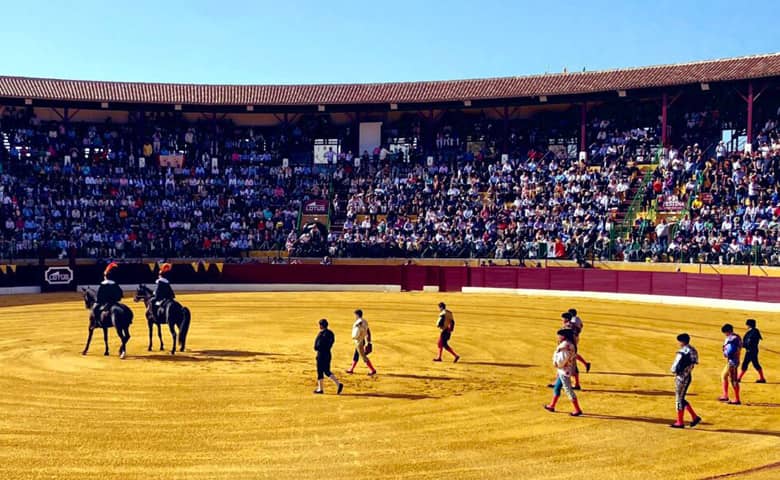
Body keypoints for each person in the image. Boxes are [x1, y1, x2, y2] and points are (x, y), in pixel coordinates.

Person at [544, 328, 583, 416]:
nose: (558, 337)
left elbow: (561, 361)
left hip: (564, 371)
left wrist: (556, 363)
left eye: (559, 335)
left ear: (564, 336)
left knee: (568, 389)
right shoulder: (569, 344)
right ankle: (552, 405)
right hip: (565, 370)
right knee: (557, 387)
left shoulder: (565, 347)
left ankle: (577, 409)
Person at [669, 333, 702, 429]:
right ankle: (694, 417)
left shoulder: (682, 352)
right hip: (688, 376)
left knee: (679, 399)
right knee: (681, 398)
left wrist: (674, 371)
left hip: (681, 377)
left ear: (682, 342)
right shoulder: (693, 350)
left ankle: (680, 422)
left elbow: (675, 368)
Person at [313, 319, 343, 394]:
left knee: (320, 371)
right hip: (328, 353)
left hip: (321, 354)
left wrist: (317, 348)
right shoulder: (331, 333)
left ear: (321, 325)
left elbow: (317, 346)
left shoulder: (321, 334)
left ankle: (320, 389)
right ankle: (338, 384)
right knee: (327, 371)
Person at [346, 309, 376, 375]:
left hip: (359, 341)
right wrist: (369, 342)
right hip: (362, 340)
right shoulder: (365, 321)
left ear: (357, 315)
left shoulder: (358, 323)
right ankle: (351, 369)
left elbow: (356, 334)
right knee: (356, 354)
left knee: (363, 356)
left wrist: (355, 338)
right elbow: (368, 332)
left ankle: (372, 370)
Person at [719, 324, 742, 405]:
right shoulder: (737, 337)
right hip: (732, 361)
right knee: (724, 376)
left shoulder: (732, 339)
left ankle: (737, 399)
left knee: (733, 380)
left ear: (727, 331)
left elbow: (730, 351)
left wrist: (725, 352)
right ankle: (725, 395)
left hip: (733, 361)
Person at [739, 319, 766, 383]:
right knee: (755, 364)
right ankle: (762, 378)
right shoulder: (755, 331)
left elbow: (749, 342)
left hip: (750, 351)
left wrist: (743, 345)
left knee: (745, 364)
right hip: (753, 350)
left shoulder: (752, 332)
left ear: (748, 325)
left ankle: (738, 378)